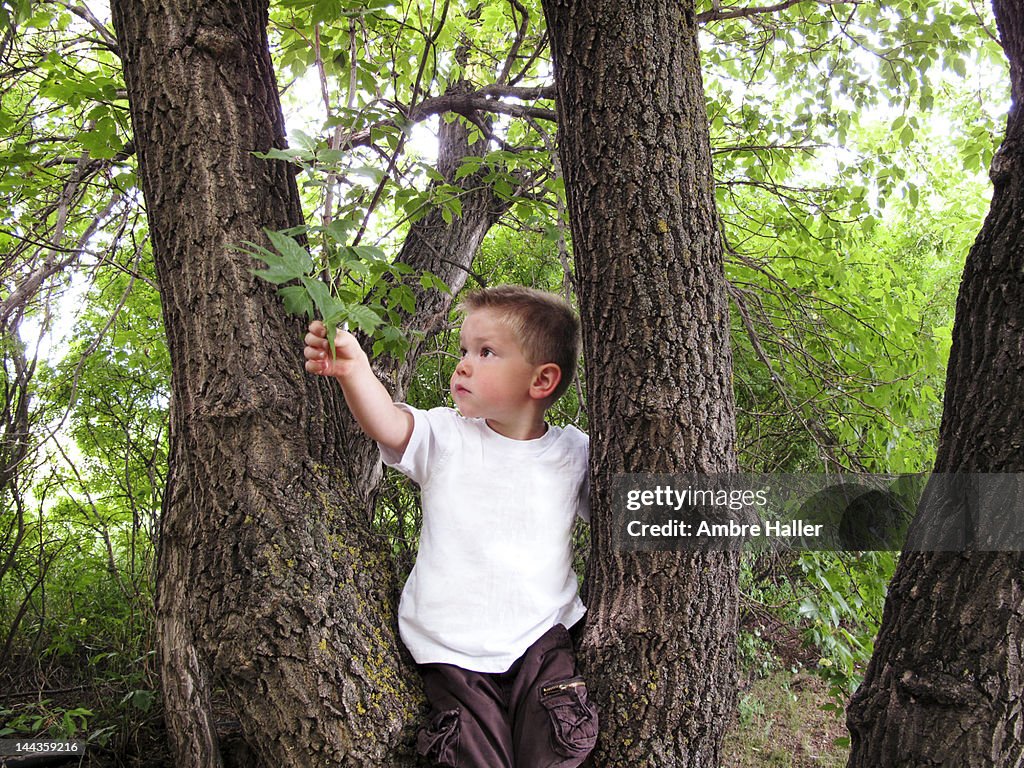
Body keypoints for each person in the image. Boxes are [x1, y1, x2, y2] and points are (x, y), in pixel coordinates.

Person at [303, 284, 598, 768]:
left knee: (560, 750)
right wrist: (354, 370)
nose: (462, 364)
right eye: (464, 350)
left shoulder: (573, 453)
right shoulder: (448, 436)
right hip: (453, 652)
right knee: (470, 757)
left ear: (542, 380)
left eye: (486, 353)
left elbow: (633, 509)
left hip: (543, 641)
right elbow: (388, 423)